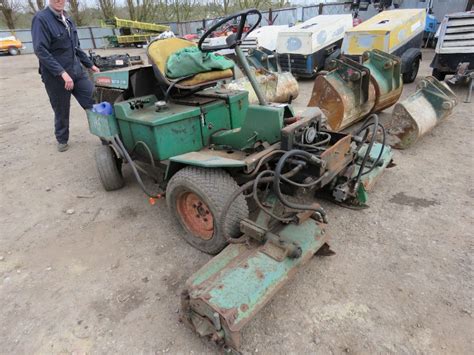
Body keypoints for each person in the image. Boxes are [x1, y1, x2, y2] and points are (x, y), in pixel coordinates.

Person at [31, 0, 100, 152]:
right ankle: (62, 139)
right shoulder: (41, 19)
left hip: (76, 71)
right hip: (55, 76)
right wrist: (62, 73)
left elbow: (76, 47)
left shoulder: (67, 18)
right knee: (61, 109)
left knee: (93, 101)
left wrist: (90, 64)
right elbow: (40, 50)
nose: (59, 0)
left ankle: (105, 135)